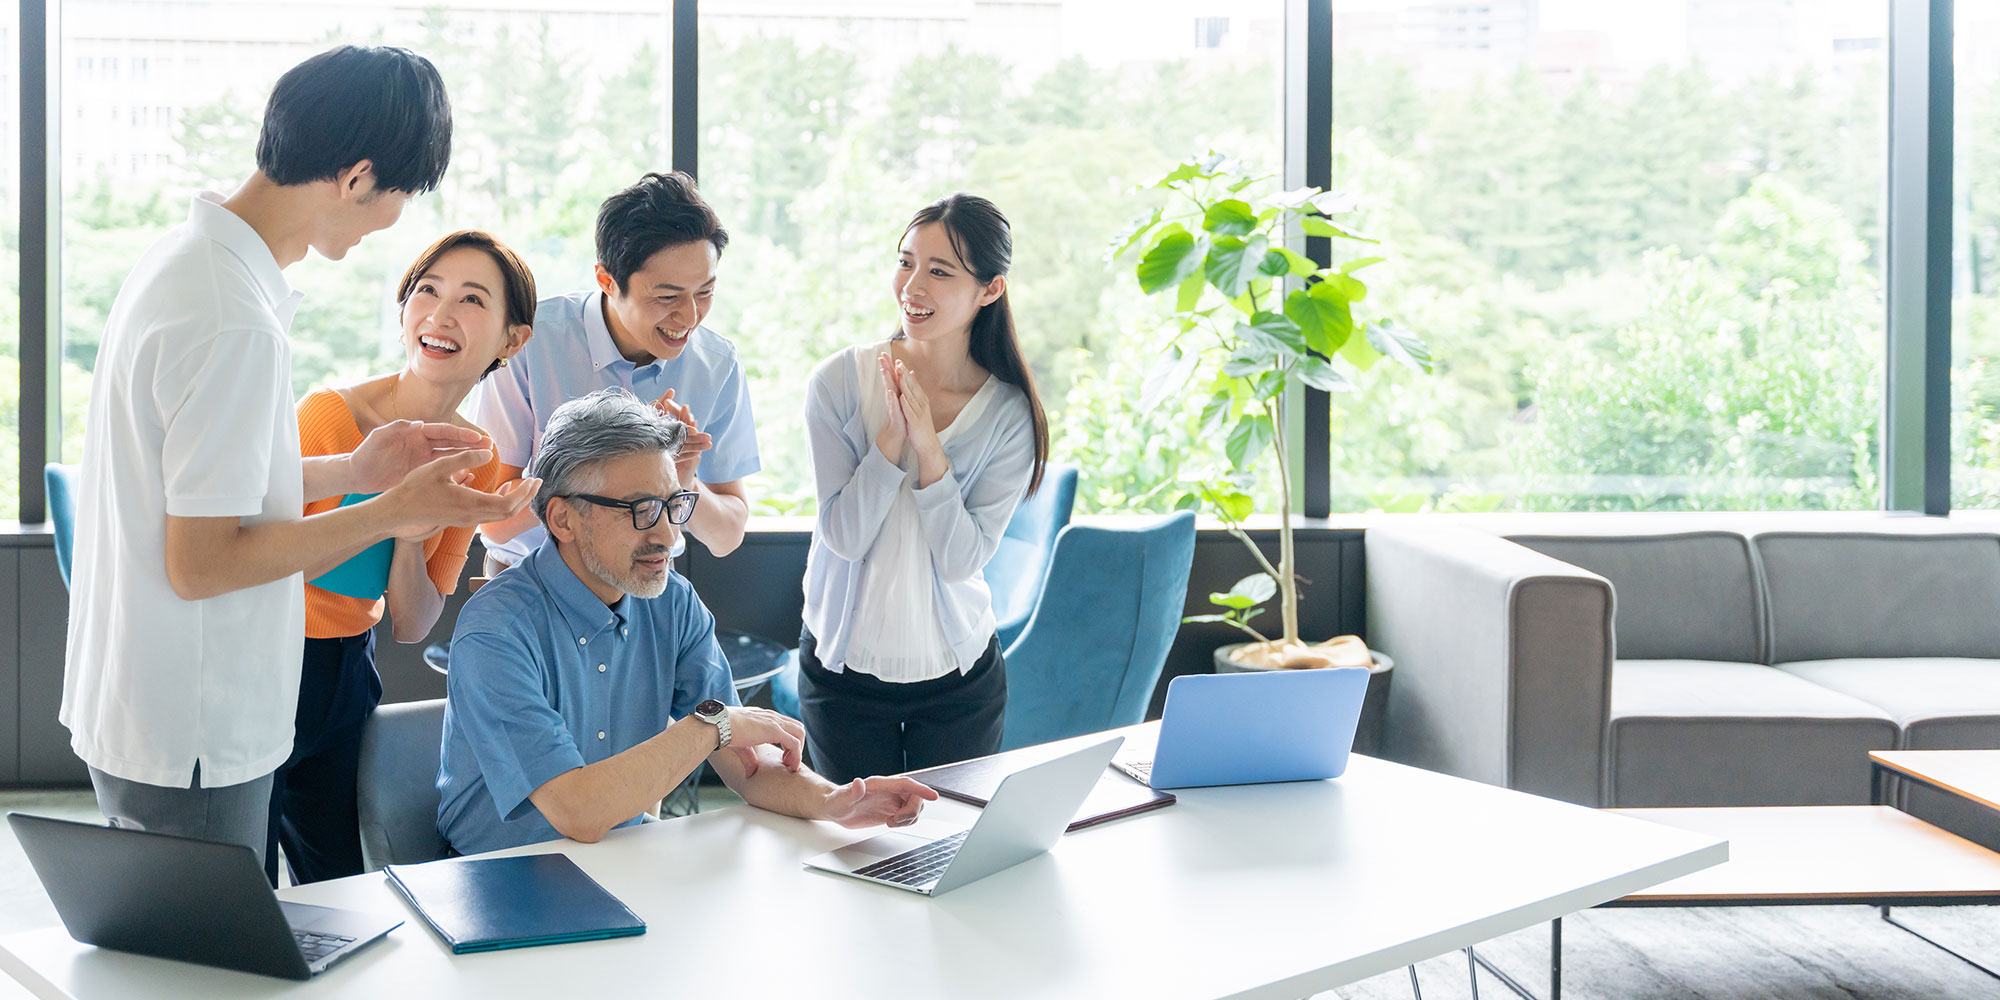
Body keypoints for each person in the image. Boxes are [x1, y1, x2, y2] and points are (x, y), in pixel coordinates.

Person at [60, 45, 537, 872]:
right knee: (213, 976)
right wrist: (390, 515)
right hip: (196, 725)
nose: (391, 224)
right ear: (356, 179)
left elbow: (212, 489)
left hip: (148, 702)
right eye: (398, 198)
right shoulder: (235, 319)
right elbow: (204, 562)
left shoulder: (180, 267)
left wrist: (356, 474)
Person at [437, 388, 935, 855]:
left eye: (673, 505)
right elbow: (578, 811)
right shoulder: (496, 629)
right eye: (642, 509)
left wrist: (835, 802)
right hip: (500, 874)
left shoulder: (671, 600)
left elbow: (745, 764)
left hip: (625, 859)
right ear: (564, 519)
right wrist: (710, 727)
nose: (668, 534)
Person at [274, 230, 536, 884]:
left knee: (333, 878)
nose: (442, 314)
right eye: (427, 290)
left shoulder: (479, 459)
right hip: (265, 655)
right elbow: (270, 564)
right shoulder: (329, 417)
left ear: (513, 339)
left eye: (472, 300)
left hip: (346, 670)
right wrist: (393, 507)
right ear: (402, 314)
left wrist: (415, 536)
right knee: (243, 874)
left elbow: (412, 623)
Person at [796, 193, 1050, 784]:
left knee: (952, 852)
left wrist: (929, 449)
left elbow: (963, 559)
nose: (913, 284)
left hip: (960, 678)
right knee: (855, 856)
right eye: (906, 262)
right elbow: (845, 536)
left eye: (940, 271)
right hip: (841, 675)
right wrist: (889, 442)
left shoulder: (1009, 414)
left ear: (990, 290)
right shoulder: (837, 381)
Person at [470, 171, 757, 572]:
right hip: (528, 582)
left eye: (705, 292)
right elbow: (491, 519)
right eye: (667, 296)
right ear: (606, 280)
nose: (690, 317)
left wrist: (680, 482)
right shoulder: (528, 342)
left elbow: (727, 536)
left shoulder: (717, 364)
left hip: (649, 588)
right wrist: (611, 463)